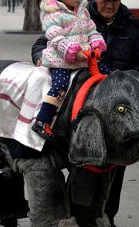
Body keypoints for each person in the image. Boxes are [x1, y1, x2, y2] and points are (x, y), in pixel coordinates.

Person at [31, 0, 139, 227]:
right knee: (82, 160)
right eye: (103, 0)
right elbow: (42, 43)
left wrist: (134, 86)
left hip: (119, 106)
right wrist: (41, 58)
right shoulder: (78, 15)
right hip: (84, 102)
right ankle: (77, 216)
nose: (108, 4)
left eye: (113, 0)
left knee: (115, 162)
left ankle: (105, 216)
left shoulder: (132, 27)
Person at [31, 0, 107, 140]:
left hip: (84, 59)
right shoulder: (52, 14)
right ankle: (42, 120)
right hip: (60, 60)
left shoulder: (82, 11)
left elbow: (91, 30)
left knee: (106, 73)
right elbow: (56, 38)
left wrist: (96, 42)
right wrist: (72, 51)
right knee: (60, 85)